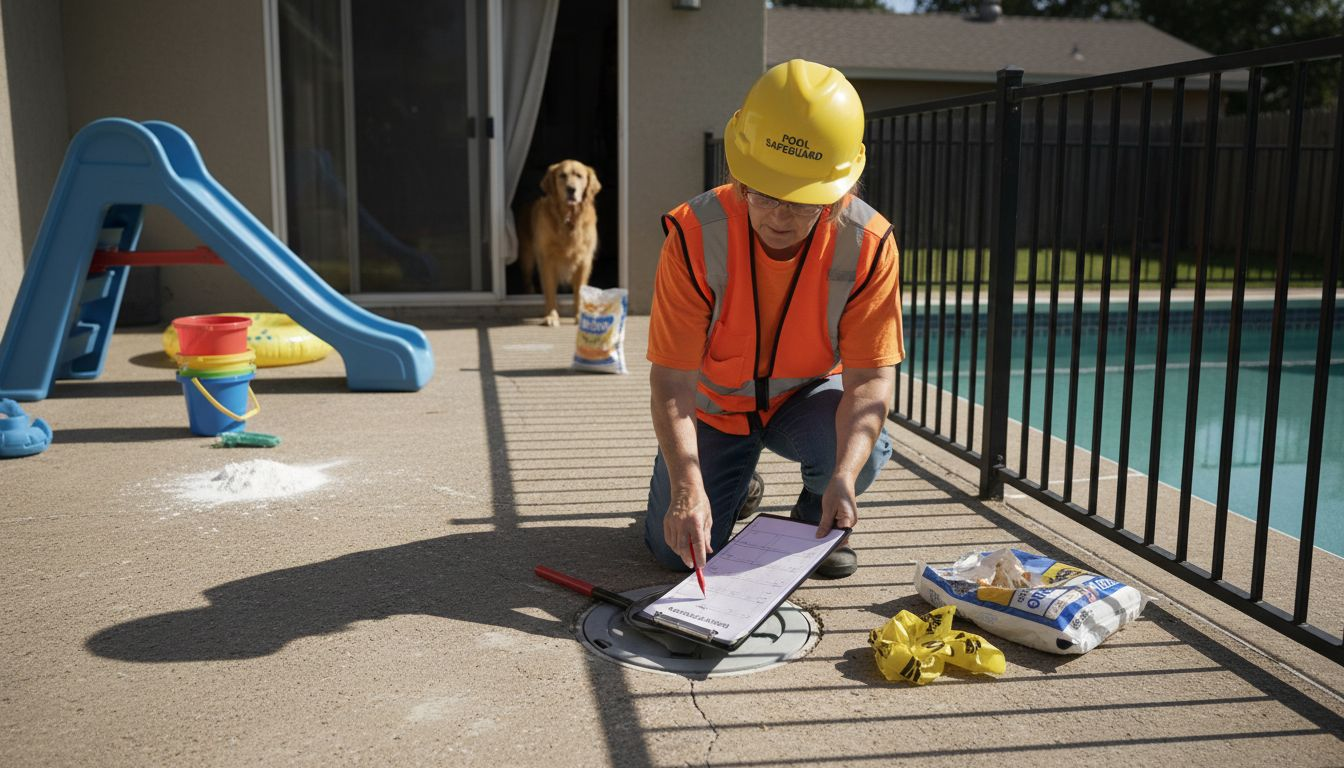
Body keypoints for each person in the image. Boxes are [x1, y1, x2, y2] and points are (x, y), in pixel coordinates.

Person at [644, 59, 905, 580]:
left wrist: (845, 477)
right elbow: (672, 380)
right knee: (673, 552)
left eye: (801, 202)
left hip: (802, 402)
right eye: (763, 194)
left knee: (859, 453)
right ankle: (736, 484)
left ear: (834, 199)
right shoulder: (694, 235)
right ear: (739, 180)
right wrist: (688, 490)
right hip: (713, 409)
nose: (779, 218)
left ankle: (817, 516)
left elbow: (871, 379)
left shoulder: (869, 245)